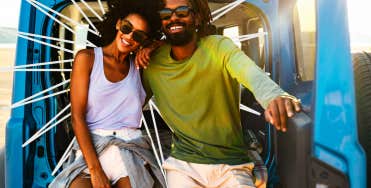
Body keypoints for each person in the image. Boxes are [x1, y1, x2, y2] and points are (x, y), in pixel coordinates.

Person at [137, 0, 302, 187]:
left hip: (231, 164)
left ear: (197, 18)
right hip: (183, 165)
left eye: (182, 12)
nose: (173, 18)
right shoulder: (153, 64)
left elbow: (249, 72)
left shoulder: (218, 47)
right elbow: (130, 104)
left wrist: (273, 96)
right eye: (166, 14)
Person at [49, 0, 166, 187]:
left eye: (139, 36)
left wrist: (152, 47)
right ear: (118, 23)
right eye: (127, 28)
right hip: (92, 148)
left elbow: (172, 45)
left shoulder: (140, 67)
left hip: (129, 149)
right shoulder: (87, 58)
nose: (129, 37)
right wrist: (95, 170)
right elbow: (77, 118)